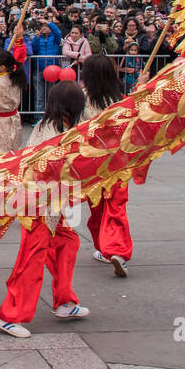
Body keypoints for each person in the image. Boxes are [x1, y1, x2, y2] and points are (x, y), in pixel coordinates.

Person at [0, 80, 90, 338]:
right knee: (32, 259)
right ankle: (9, 315)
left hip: (54, 204)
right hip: (37, 205)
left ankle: (64, 301)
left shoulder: (62, 126)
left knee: (68, 244)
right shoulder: (51, 133)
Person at [80, 54, 134, 277]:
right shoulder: (120, 100)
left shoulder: (82, 98)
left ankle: (105, 248)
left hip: (92, 162)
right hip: (117, 161)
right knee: (116, 206)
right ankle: (116, 250)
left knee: (98, 208)